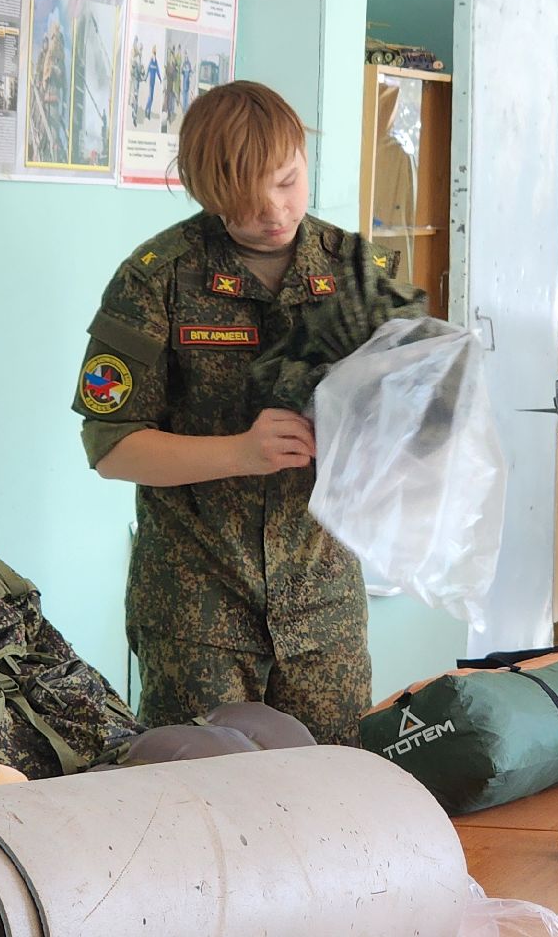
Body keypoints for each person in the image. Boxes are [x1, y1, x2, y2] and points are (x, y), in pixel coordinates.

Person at [71, 80, 427, 746]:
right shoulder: (156, 279)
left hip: (323, 605)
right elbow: (111, 447)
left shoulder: (354, 270)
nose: (274, 212)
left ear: (302, 155)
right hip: (198, 608)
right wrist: (239, 452)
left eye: (288, 182)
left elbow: (423, 404)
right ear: (207, 194)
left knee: (333, 804)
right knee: (200, 805)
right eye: (246, 201)